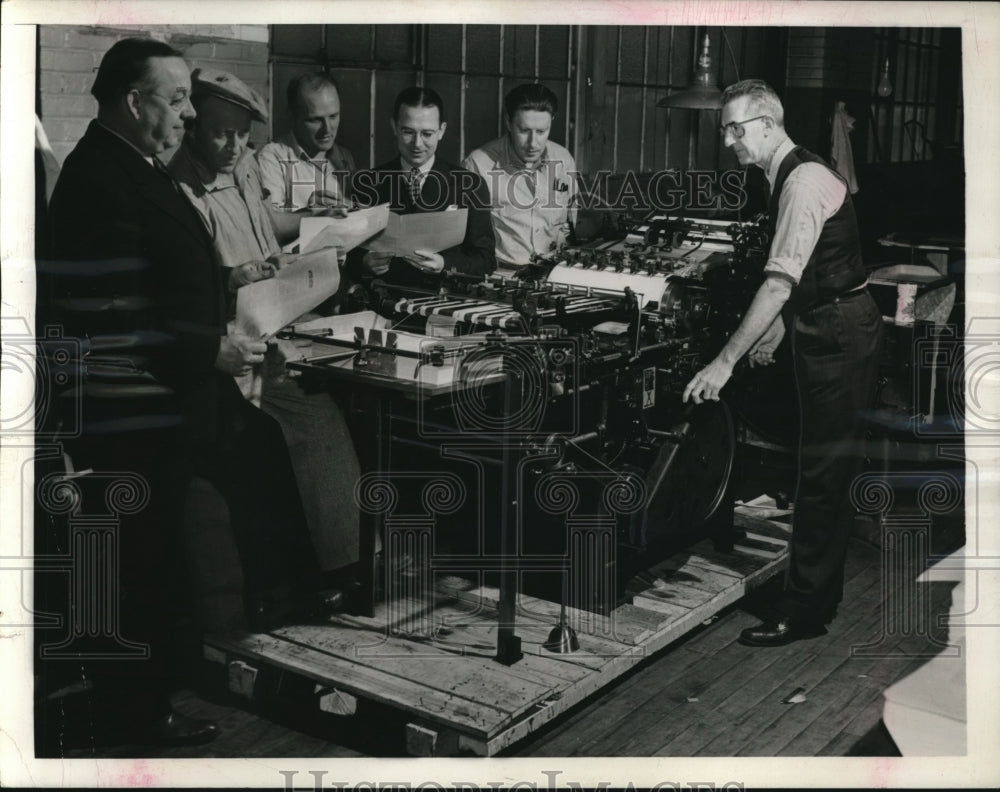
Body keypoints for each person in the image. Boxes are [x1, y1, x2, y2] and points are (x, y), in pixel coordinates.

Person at [43, 39, 334, 746]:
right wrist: (209, 344)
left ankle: (229, 652)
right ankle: (135, 720)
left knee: (183, 533)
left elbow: (154, 278)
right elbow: (103, 310)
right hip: (132, 411)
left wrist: (224, 284)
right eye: (174, 100)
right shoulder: (99, 178)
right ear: (133, 101)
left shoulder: (134, 167)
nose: (184, 113)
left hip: (168, 399)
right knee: (141, 563)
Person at [683, 79, 883, 646]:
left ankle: (804, 613)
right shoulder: (782, 173)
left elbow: (779, 281)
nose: (727, 141)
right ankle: (816, 591)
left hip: (839, 330)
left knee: (822, 472)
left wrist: (724, 361)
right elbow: (803, 272)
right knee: (817, 464)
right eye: (725, 128)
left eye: (736, 128)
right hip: (821, 319)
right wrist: (774, 329)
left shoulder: (801, 182)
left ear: (769, 125)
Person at [168, 67, 362, 583]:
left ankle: (341, 567)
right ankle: (312, 576)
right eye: (220, 133)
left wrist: (314, 221)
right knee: (298, 436)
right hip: (236, 343)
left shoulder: (246, 164)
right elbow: (186, 283)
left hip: (278, 321)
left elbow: (266, 222)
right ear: (192, 127)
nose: (234, 146)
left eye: (242, 134)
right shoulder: (180, 188)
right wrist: (234, 277)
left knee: (331, 420)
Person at [348, 86, 496, 287]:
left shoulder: (469, 184)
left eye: (427, 133)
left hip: (444, 305)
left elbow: (486, 260)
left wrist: (445, 264)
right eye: (408, 132)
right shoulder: (368, 182)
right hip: (384, 303)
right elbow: (347, 254)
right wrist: (365, 261)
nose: (417, 144)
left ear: (441, 131)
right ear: (394, 127)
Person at [462, 83, 577, 271]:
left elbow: (570, 223)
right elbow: (468, 239)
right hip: (500, 276)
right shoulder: (477, 165)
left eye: (541, 132)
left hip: (554, 272)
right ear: (508, 122)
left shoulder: (564, 159)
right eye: (524, 131)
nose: (533, 143)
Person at [256, 72, 355, 242]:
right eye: (315, 120)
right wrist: (312, 214)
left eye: (333, 116)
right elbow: (268, 227)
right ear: (293, 116)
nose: (327, 129)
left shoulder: (343, 156)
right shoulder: (272, 158)